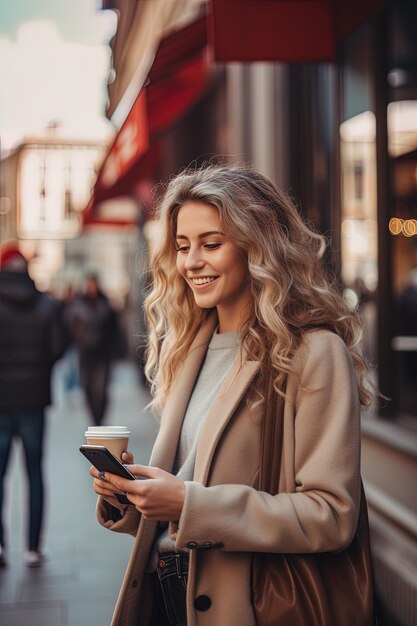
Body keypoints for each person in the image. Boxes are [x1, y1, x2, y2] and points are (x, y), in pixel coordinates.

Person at [88, 164, 374, 626]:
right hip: (165, 596)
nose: (191, 262)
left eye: (211, 244)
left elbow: (331, 515)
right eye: (182, 247)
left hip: (252, 606)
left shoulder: (313, 352)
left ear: (257, 247)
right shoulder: (190, 345)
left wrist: (187, 503)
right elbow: (185, 486)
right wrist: (130, 494)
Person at [0, 243, 66, 567]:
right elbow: (57, 348)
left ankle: (1, 546)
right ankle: (33, 548)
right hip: (33, 401)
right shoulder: (46, 305)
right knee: (34, 473)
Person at [67, 274, 121, 426]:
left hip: (103, 354)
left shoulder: (106, 306)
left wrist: (115, 350)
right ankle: (93, 420)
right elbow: (71, 328)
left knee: (101, 390)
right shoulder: (77, 306)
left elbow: (114, 331)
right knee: (88, 389)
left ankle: (100, 420)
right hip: (85, 354)